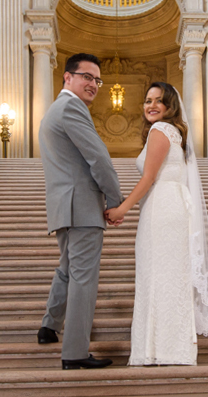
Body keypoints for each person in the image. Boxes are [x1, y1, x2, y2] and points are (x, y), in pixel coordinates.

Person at [105, 82, 208, 366]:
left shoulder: (160, 131)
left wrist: (122, 208)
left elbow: (148, 178)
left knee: (156, 275)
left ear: (170, 106)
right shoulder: (175, 133)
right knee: (168, 276)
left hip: (162, 206)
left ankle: (155, 348)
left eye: (159, 101)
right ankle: (172, 347)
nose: (151, 105)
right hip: (173, 204)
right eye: (148, 100)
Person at [37, 53, 124, 370]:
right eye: (86, 76)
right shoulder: (72, 107)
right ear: (67, 77)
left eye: (97, 79)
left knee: (68, 270)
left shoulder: (53, 110)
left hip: (64, 208)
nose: (94, 84)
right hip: (82, 207)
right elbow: (98, 157)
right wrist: (115, 201)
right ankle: (74, 352)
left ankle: (49, 326)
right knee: (84, 280)